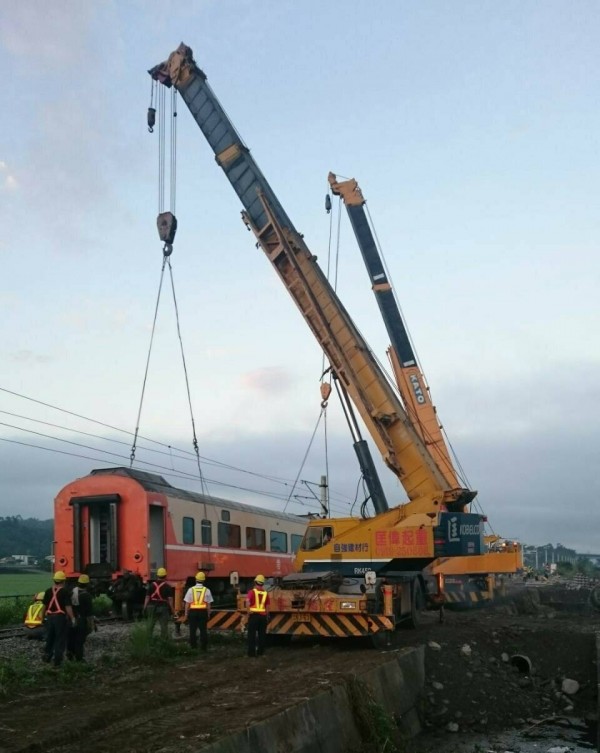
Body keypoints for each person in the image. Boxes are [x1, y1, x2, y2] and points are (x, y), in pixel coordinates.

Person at [42, 571, 75, 667]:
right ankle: (57, 662)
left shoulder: (48, 591)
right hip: (59, 618)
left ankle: (47, 656)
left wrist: (42, 616)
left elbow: (44, 606)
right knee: (59, 639)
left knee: (50, 637)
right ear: (63, 581)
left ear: (54, 580)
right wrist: (72, 618)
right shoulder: (65, 592)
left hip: (49, 617)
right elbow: (68, 606)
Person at [183, 571, 214, 651]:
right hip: (203, 612)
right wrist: (208, 613)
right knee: (203, 630)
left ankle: (193, 647)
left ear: (196, 580)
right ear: (203, 580)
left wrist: (186, 614)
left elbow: (187, 603)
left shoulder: (190, 590)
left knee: (192, 630)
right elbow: (208, 604)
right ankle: (203, 648)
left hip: (192, 612)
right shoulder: (207, 590)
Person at [66, 574, 94, 661]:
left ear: (78, 583)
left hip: (71, 619)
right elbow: (89, 613)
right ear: (87, 584)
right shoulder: (87, 596)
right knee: (79, 640)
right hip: (81, 621)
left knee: (71, 638)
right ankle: (79, 659)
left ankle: (70, 655)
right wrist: (91, 625)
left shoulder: (71, 593)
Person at [143, 567, 174, 639]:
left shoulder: (151, 585)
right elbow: (170, 600)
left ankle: (149, 640)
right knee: (164, 627)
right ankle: (163, 642)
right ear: (165, 576)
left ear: (157, 575)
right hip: (163, 608)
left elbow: (147, 597)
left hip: (151, 607)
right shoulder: (167, 587)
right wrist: (173, 611)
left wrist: (144, 607)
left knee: (150, 626)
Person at [246, 574, 270, 658]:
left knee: (251, 635)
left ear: (255, 582)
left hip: (253, 616)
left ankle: (251, 653)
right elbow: (267, 606)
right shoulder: (265, 593)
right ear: (262, 584)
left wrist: (248, 612)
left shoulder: (251, 592)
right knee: (262, 635)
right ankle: (261, 652)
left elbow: (248, 603)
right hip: (263, 617)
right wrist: (267, 615)